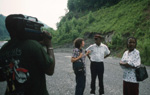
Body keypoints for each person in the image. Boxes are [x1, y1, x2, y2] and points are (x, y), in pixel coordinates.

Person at [0, 14, 55, 95]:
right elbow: (50, 70)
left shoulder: (4, 49)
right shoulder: (33, 45)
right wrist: (49, 45)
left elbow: (2, 77)